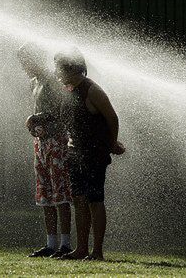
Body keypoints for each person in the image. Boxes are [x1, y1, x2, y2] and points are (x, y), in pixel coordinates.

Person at [54, 48, 125, 261]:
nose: (56, 71)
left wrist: (111, 143)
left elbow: (112, 118)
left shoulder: (92, 90)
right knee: (79, 200)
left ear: (71, 68)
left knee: (95, 199)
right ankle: (81, 248)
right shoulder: (68, 90)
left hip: (94, 154)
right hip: (75, 152)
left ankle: (97, 251)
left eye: (59, 67)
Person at [17, 42, 73, 258]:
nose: (23, 66)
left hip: (57, 142)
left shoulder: (54, 80)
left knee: (61, 193)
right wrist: (34, 125)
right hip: (40, 144)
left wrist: (38, 118)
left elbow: (63, 111)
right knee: (45, 194)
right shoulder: (33, 82)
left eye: (25, 61)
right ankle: (50, 244)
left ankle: (65, 245)